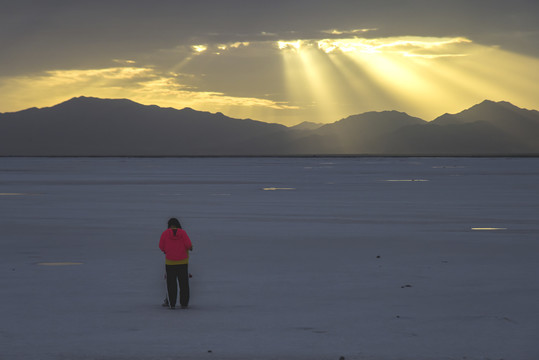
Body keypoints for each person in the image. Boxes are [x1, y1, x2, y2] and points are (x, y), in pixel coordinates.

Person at [159, 217, 193, 309]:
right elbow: (188, 245)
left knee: (171, 284)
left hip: (170, 263)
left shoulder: (165, 233)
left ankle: (172, 303)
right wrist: (190, 248)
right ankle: (184, 303)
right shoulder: (183, 233)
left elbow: (161, 246)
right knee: (184, 284)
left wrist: (167, 250)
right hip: (183, 262)